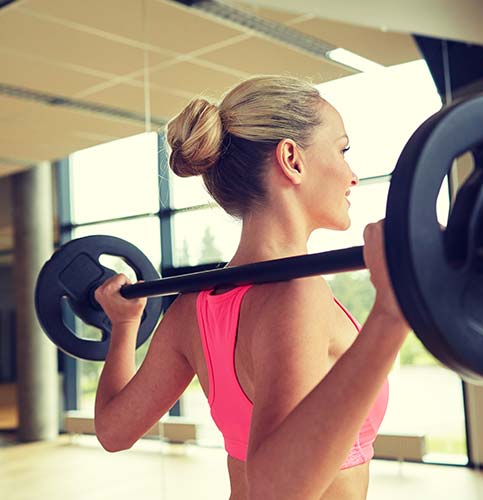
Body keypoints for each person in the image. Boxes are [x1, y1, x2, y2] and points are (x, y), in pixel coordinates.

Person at [93, 75, 411, 499]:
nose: (353, 175)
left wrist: (124, 324)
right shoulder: (297, 296)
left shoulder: (192, 309)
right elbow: (277, 492)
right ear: (291, 159)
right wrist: (392, 315)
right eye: (342, 149)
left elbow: (114, 431)